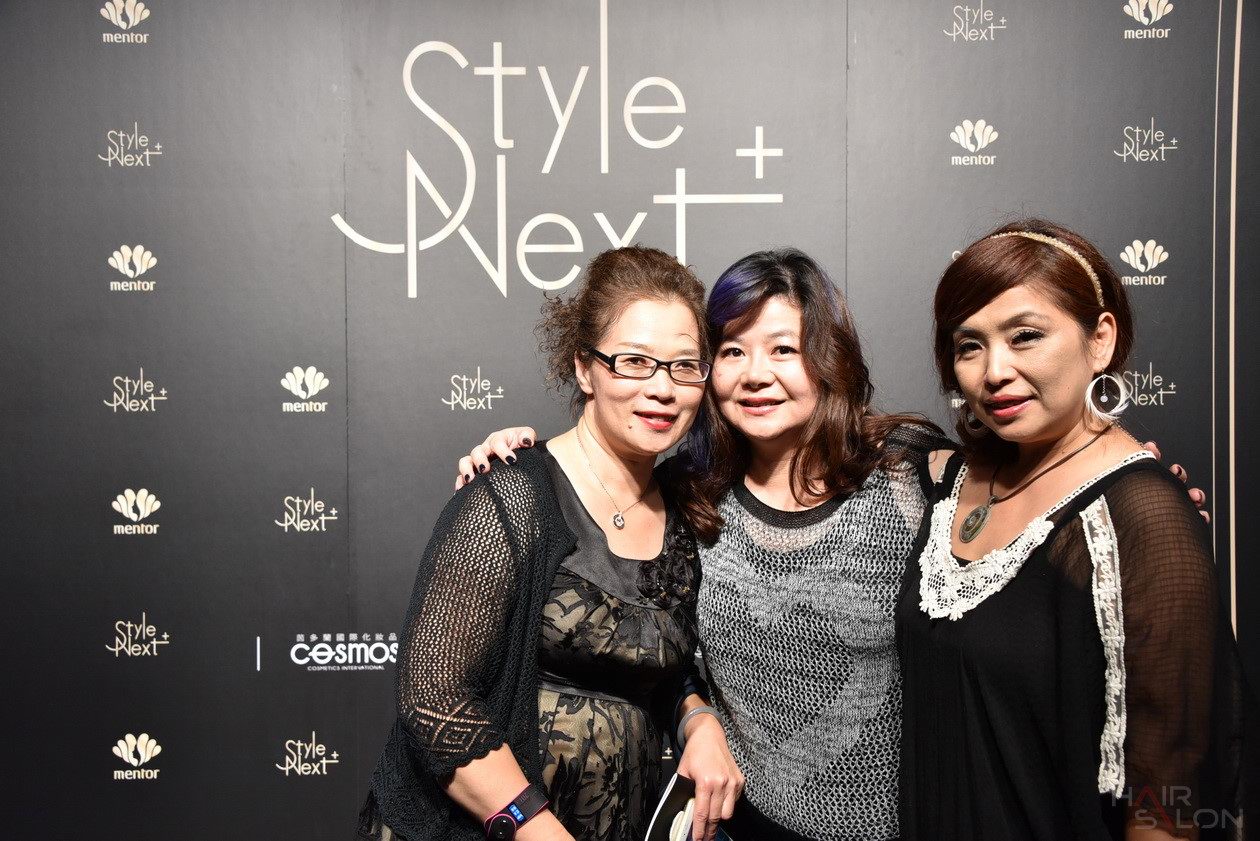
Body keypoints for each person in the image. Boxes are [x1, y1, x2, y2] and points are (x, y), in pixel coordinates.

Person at [455, 246, 1211, 841]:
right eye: (732, 351)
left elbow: (1031, 492)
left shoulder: (911, 472)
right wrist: (517, 456)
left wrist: (1131, 494)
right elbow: (660, 645)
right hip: (747, 829)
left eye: (784, 349)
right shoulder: (689, 492)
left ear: (827, 357)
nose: (757, 374)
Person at [357, 246, 742, 841]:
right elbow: (433, 696)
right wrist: (532, 826)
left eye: (684, 366)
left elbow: (659, 669)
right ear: (585, 368)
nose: (663, 388)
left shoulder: (685, 513)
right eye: (634, 362)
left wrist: (700, 721)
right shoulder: (513, 495)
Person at [897, 220, 1247, 840]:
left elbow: (1169, 806)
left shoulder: (1143, 516)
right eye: (969, 346)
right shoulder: (953, 478)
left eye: (1025, 336)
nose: (994, 371)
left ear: (1100, 340)